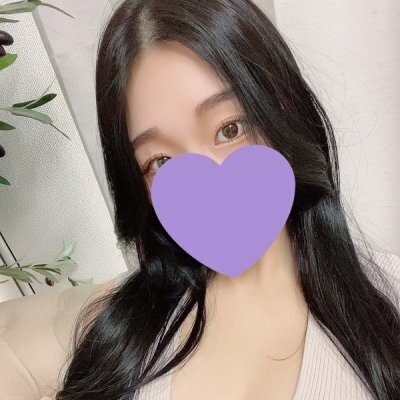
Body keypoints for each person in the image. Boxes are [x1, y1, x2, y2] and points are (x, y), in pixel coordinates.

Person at [55, 1, 400, 399]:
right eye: (162, 162)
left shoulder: (388, 302)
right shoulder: (122, 332)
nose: (206, 189)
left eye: (230, 129)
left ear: (283, 112)